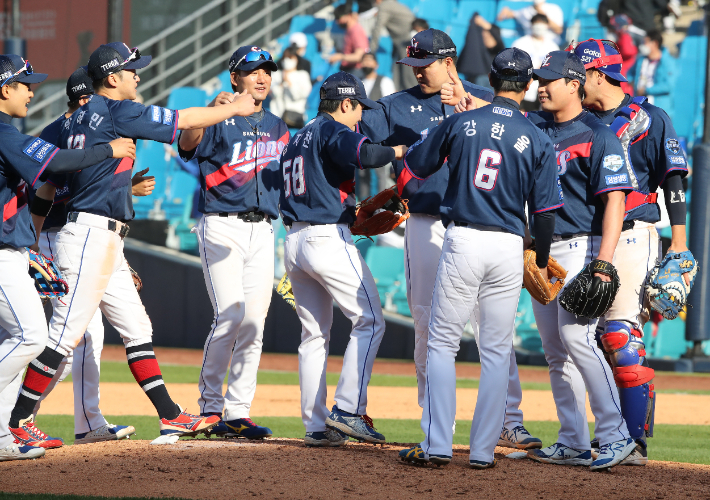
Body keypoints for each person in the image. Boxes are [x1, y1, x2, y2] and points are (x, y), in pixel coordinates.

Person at [6, 42, 258, 447]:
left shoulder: (67, 123)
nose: (138, 75)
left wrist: (39, 238)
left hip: (96, 234)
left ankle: (172, 416)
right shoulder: (115, 110)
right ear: (112, 78)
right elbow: (184, 119)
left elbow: (48, 184)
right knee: (64, 334)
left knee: (137, 327)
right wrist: (234, 108)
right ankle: (17, 420)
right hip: (89, 233)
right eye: (132, 70)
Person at [358, 30, 542, 450]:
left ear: (449, 61)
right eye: (414, 66)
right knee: (427, 323)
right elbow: (352, 126)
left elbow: (533, 134)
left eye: (426, 65)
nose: (419, 73)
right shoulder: (398, 106)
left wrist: (473, 106)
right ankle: (435, 425)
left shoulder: (485, 96)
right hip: (424, 221)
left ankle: (508, 421)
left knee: (491, 328)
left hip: (483, 226)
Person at [398, 48, 561, 469]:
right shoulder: (538, 137)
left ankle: (436, 445)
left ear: (490, 80)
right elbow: (545, 216)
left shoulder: (461, 121)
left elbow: (417, 163)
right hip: (509, 246)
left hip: (465, 238)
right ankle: (484, 452)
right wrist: (540, 259)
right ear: (529, 85)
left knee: (441, 343)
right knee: (495, 350)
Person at [0, 54, 136, 459]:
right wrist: (106, 151)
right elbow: (56, 162)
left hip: (15, 248)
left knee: (21, 337)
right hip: (3, 252)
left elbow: (41, 185)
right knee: (30, 336)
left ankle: (4, 437)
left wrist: (32, 246)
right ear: (4, 89)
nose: (31, 91)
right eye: (25, 85)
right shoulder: (4, 132)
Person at [573, 38, 690, 466]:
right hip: (581, 233)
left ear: (598, 73)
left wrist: (679, 244)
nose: (571, 80)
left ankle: (633, 444)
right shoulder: (575, 117)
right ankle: (588, 436)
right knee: (580, 342)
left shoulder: (649, 117)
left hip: (631, 231)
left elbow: (674, 179)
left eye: (578, 73)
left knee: (621, 337)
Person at [29, 66, 158, 445]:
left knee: (88, 337)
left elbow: (92, 198)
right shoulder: (60, 131)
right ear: (86, 99)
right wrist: (32, 247)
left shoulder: (84, 126)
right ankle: (19, 419)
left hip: (77, 237)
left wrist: (126, 189)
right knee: (67, 339)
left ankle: (86, 422)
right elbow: (47, 190)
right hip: (53, 236)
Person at [279, 72, 406, 447]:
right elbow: (366, 154)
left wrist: (353, 216)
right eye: (358, 110)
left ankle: (316, 427)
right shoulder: (332, 128)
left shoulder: (298, 136)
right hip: (324, 238)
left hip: (295, 240)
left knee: (314, 335)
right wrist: (400, 151)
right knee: (370, 320)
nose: (360, 119)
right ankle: (348, 410)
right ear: (346, 103)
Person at [526, 50, 636, 470]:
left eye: (549, 80)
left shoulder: (598, 134)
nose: (541, 87)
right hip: (543, 251)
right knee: (555, 349)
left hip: (580, 246)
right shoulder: (535, 129)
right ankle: (572, 439)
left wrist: (604, 261)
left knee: (578, 339)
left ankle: (615, 434)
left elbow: (615, 201)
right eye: (539, 80)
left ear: (574, 84)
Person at [178, 46, 289, 440]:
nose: (262, 77)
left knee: (255, 323)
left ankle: (238, 411)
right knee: (230, 314)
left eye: (267, 71)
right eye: (252, 70)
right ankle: (209, 407)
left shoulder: (279, 127)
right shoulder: (219, 115)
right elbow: (188, 145)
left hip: (263, 230)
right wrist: (211, 110)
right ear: (234, 78)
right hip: (222, 226)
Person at [512, 14, 559, 111]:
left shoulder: (553, 46)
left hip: (543, 90)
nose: (539, 27)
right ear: (531, 25)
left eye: (542, 23)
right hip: (523, 88)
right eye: (537, 23)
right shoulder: (520, 43)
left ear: (547, 26)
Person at [369, 0, 417, 91]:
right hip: (406, 42)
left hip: (406, 42)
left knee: (407, 76)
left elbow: (377, 28)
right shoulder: (394, 4)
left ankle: (412, 100)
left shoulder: (384, 6)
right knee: (398, 73)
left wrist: (372, 51)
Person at [627, 29, 674, 115]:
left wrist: (646, 90)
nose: (643, 45)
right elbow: (630, 73)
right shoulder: (641, 60)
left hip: (659, 108)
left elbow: (668, 85)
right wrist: (632, 82)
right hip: (640, 107)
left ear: (655, 43)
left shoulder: (667, 62)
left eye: (645, 42)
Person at [457, 13, 505, 89]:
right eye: (484, 34)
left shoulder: (499, 51)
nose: (486, 37)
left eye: (489, 35)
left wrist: (484, 24)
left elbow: (498, 39)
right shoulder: (478, 52)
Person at [271, 47, 312, 128]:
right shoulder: (276, 74)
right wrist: (282, 82)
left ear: (296, 59)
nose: (287, 60)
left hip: (295, 118)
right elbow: (273, 94)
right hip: (277, 117)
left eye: (290, 58)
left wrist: (289, 84)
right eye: (285, 58)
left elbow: (302, 94)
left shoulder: (303, 75)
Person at [329, 4, 369, 74]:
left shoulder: (356, 30)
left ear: (348, 15)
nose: (337, 21)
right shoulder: (349, 30)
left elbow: (359, 56)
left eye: (339, 18)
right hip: (348, 70)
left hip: (355, 71)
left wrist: (340, 56)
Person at [498, 0, 564, 38]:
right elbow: (511, 13)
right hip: (530, 43)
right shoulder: (526, 10)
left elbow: (558, 30)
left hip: (550, 42)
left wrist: (542, 14)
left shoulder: (554, 8)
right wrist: (505, 10)